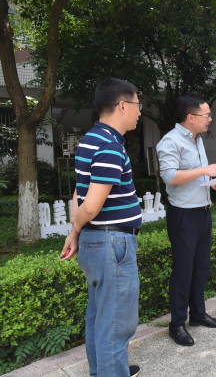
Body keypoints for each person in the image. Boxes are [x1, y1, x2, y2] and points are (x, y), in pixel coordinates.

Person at [60, 78, 143, 377]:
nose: (139, 112)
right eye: (137, 105)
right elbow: (92, 205)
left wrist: (75, 231)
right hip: (113, 244)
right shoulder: (109, 146)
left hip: (95, 242)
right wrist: (76, 229)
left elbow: (79, 193)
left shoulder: (90, 139)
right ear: (122, 105)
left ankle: (103, 371)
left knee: (100, 317)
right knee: (116, 326)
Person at [157, 94, 216, 347]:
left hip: (203, 211)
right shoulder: (170, 141)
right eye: (206, 115)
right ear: (190, 117)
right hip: (184, 215)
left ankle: (197, 314)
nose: (210, 119)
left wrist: (213, 182)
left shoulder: (197, 139)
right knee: (183, 271)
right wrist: (204, 171)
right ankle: (176, 325)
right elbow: (170, 176)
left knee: (200, 267)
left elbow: (196, 176)